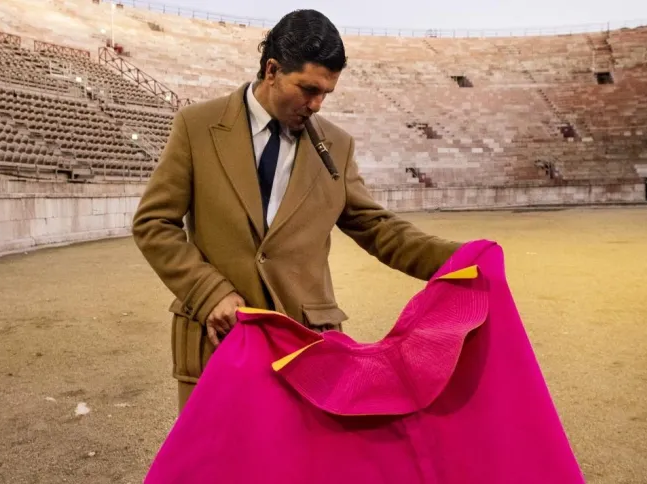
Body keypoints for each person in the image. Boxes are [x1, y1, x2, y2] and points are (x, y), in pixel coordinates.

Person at [132, 9, 462, 412]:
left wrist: (460, 260)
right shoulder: (196, 126)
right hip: (217, 337)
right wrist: (208, 292)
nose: (317, 104)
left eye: (326, 93)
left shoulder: (338, 146)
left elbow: (378, 228)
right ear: (272, 70)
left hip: (307, 348)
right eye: (308, 89)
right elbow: (154, 223)